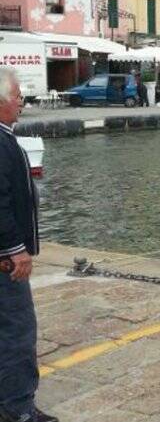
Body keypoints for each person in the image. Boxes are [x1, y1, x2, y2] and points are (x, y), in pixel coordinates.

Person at [0, 68, 58, 422]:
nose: (22, 103)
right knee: (18, 331)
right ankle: (18, 408)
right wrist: (14, 250)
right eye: (18, 96)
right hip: (5, 264)